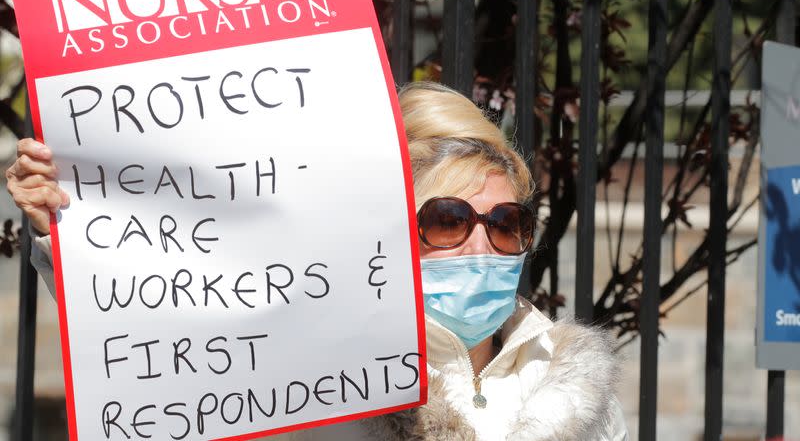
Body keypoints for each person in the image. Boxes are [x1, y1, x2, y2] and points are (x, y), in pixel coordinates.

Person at [6, 81, 628, 440]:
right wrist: (69, 233)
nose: (481, 245)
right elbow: (176, 319)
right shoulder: (316, 383)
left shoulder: (575, 380)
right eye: (447, 220)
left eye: (505, 223)